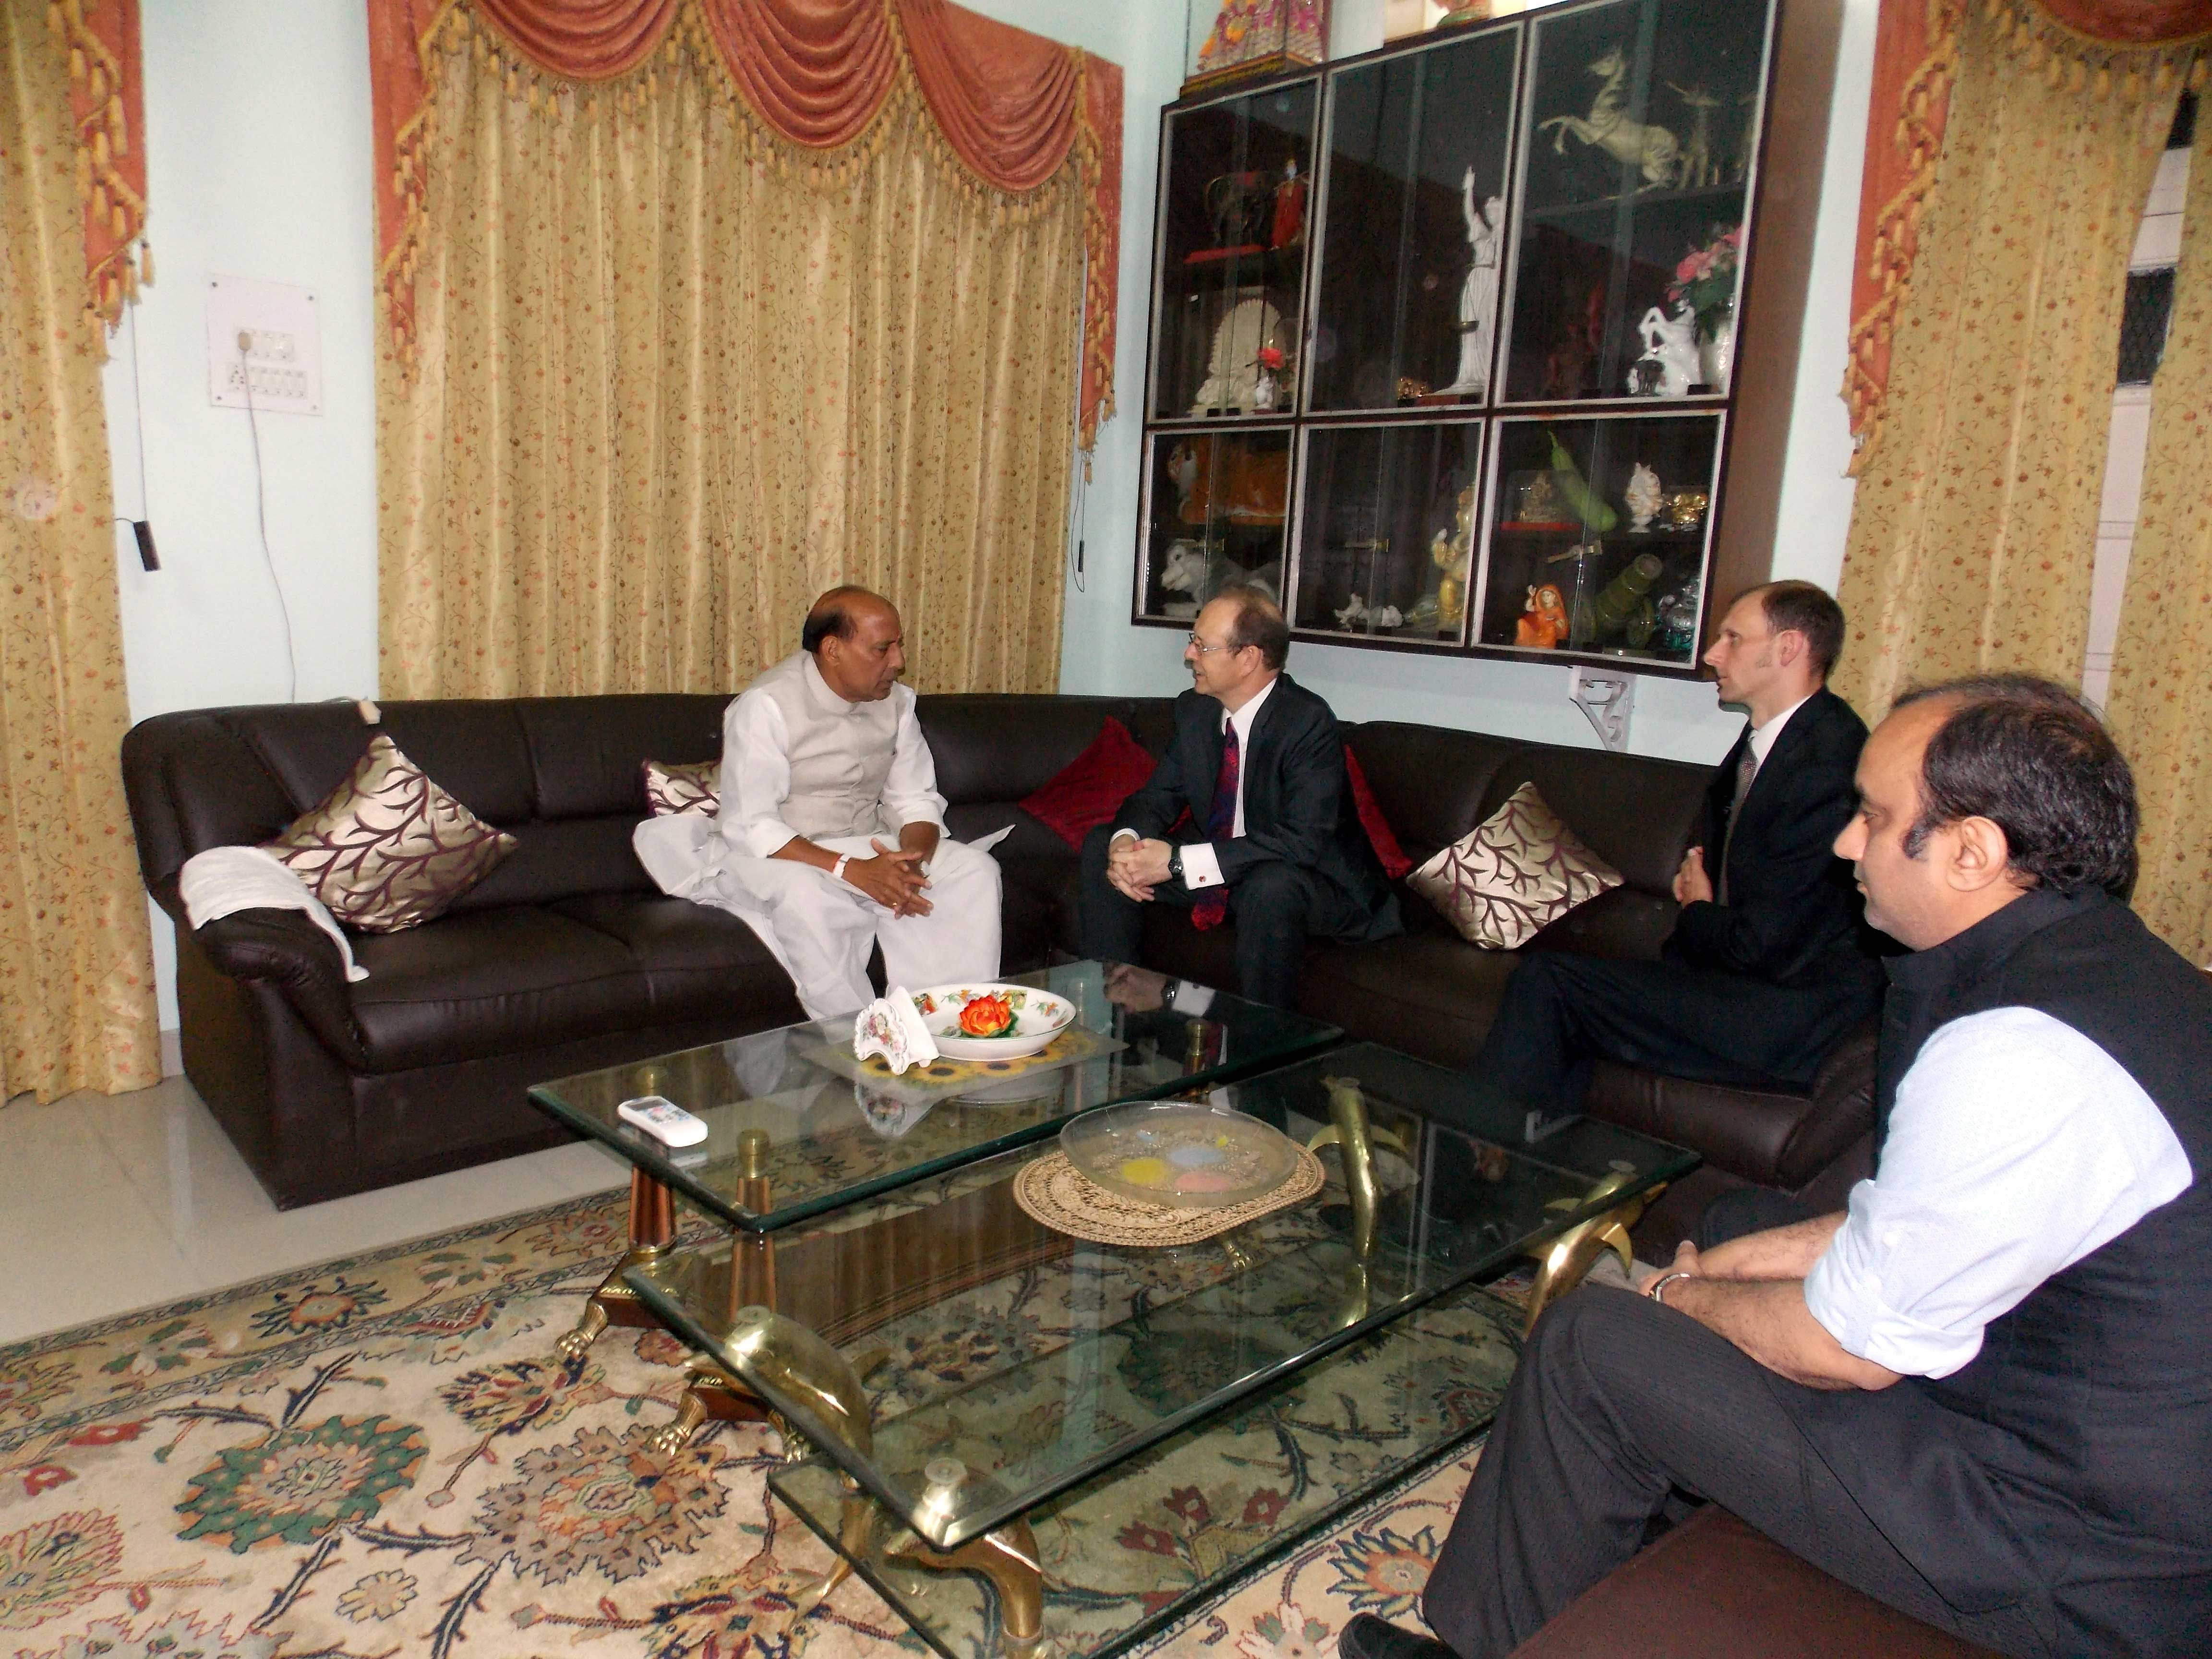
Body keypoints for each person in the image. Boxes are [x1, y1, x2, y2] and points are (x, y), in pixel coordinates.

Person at [1339, 675, 2212, 1659]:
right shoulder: (2119, 977)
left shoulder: (2021, 1055)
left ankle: (1481, 1648)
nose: (1847, 845)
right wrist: (1721, 1268)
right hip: (2049, 1413)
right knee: (1734, 1225)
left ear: (1974, 852)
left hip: (2056, 1552)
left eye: (1877, 819)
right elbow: (1932, 1226)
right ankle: (1644, 1552)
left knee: (1594, 1340)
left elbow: (1848, 1347)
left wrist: (1674, 1303)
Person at [1472, 580, 1882, 1128]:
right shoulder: (1776, 741)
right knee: (1563, 1006)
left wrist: (1695, 911)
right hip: (1739, 983)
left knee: (1549, 982)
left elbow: (1766, 945)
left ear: (1787, 649)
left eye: (1733, 638)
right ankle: (1534, 1164)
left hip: (1790, 1016)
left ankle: (1474, 1172)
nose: (1713, 653)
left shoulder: (1829, 765)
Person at [637, 586, 1001, 1020]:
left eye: (898, 645)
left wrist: (910, 867)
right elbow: (753, 824)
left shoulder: (898, 704)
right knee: (806, 896)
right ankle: (859, 1039)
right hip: (777, 855)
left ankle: (947, 1022)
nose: (899, 661)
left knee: (975, 872)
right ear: (833, 650)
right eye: (883, 648)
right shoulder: (767, 705)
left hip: (870, 843)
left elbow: (915, 799)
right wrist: (853, 871)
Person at [1078, 587, 1400, 1010]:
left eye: (1202, 645)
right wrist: (1127, 842)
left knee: (1271, 887)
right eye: (1192, 641)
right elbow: (1158, 796)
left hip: (1318, 885)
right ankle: (1116, 1006)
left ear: (1248, 658)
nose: (1190, 655)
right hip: (1231, 872)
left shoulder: (1306, 722)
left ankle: (1259, 1043)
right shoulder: (1197, 712)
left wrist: (1176, 863)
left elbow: (1301, 842)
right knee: (1105, 843)